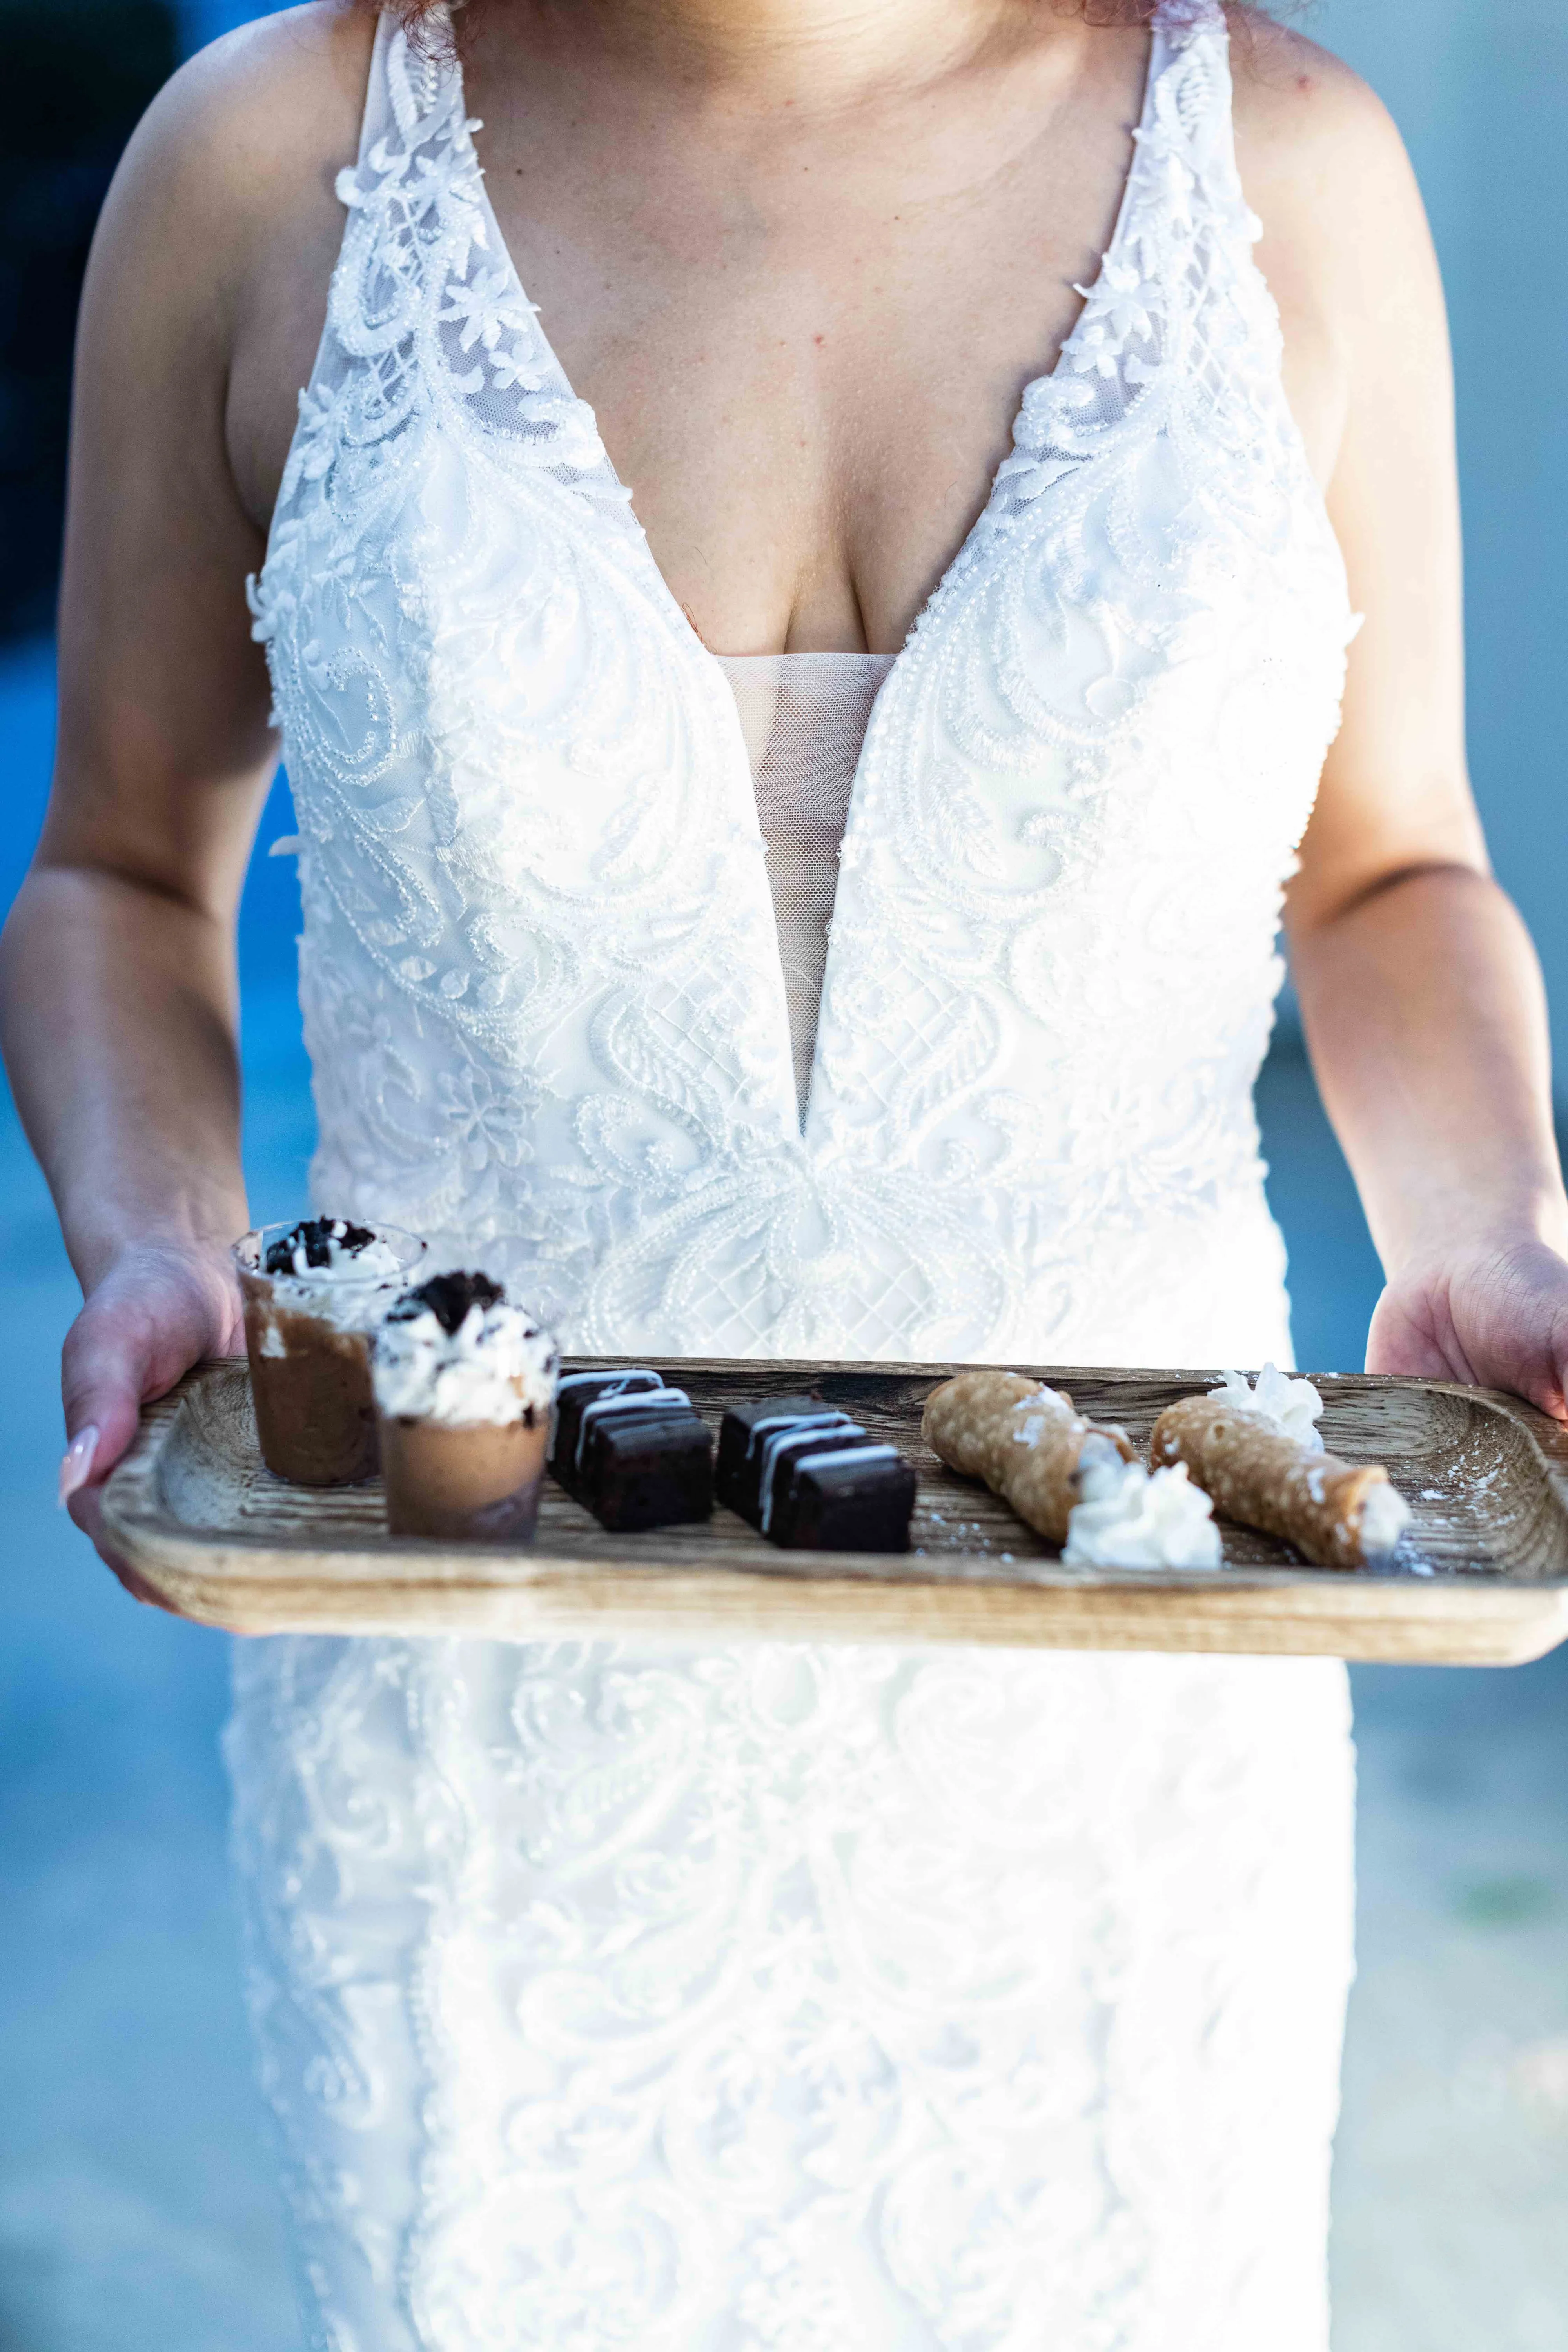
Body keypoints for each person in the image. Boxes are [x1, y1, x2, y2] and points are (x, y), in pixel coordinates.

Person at [4, 0, 1567, 2339]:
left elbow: (1391, 870)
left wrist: (1488, 1228)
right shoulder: (256, 172)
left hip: (1119, 1728)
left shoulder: (1301, 166)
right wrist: (161, 1243)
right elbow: (120, 871)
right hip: (493, 1738)